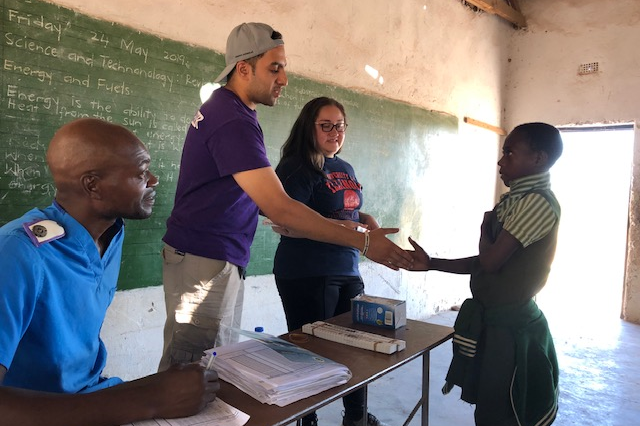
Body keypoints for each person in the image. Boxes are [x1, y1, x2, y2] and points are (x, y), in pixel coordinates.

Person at [159, 22, 412, 371]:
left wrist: (359, 230)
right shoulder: (231, 119)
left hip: (215, 255)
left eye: (284, 68)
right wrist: (364, 243)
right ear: (243, 68)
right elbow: (279, 208)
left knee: (209, 366)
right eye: (274, 68)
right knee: (189, 370)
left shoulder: (235, 112)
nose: (284, 79)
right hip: (205, 258)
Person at [0, 118, 219, 426]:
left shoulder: (111, 233)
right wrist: (148, 399)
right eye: (141, 173)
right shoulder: (18, 253)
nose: (154, 180)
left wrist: (150, 391)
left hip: (92, 396)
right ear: (93, 185)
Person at [407, 122, 562, 426]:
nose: (501, 161)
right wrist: (432, 263)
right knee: (490, 407)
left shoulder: (537, 203)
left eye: (510, 153)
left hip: (513, 330)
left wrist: (483, 226)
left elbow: (490, 262)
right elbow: (485, 261)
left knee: (504, 410)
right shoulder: (513, 201)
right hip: (494, 323)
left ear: (538, 159)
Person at [273, 97, 387, 426]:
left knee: (357, 348)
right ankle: (306, 420)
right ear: (309, 127)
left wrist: (368, 220)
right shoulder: (297, 166)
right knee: (313, 354)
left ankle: (356, 417)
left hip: (347, 266)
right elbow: (290, 220)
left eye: (340, 125)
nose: (335, 132)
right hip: (307, 271)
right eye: (326, 125)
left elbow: (345, 210)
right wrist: (345, 227)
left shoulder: (344, 167)